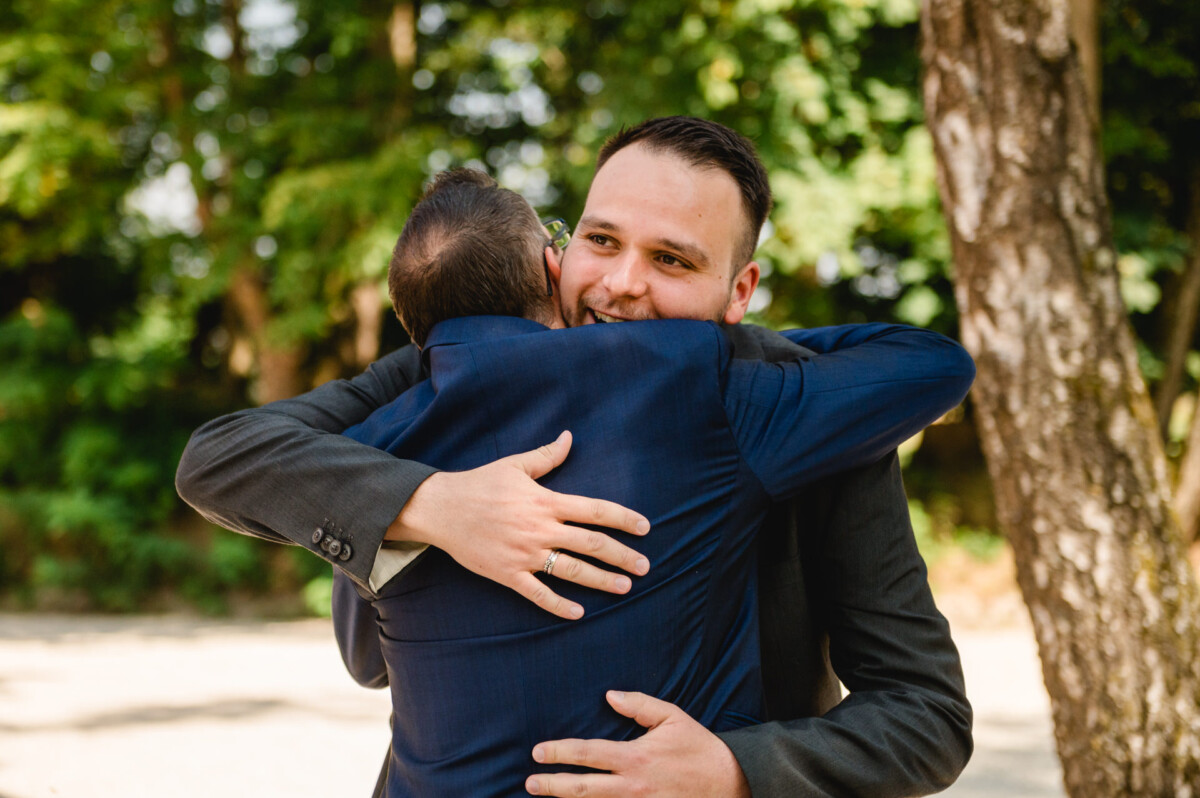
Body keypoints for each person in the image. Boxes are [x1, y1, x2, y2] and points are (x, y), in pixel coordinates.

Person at [176, 116, 974, 797]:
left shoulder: (811, 411)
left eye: (674, 260)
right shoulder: (430, 378)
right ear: (557, 255)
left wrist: (735, 768)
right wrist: (437, 506)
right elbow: (230, 463)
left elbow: (926, 713)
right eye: (602, 241)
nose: (622, 285)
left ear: (739, 292)